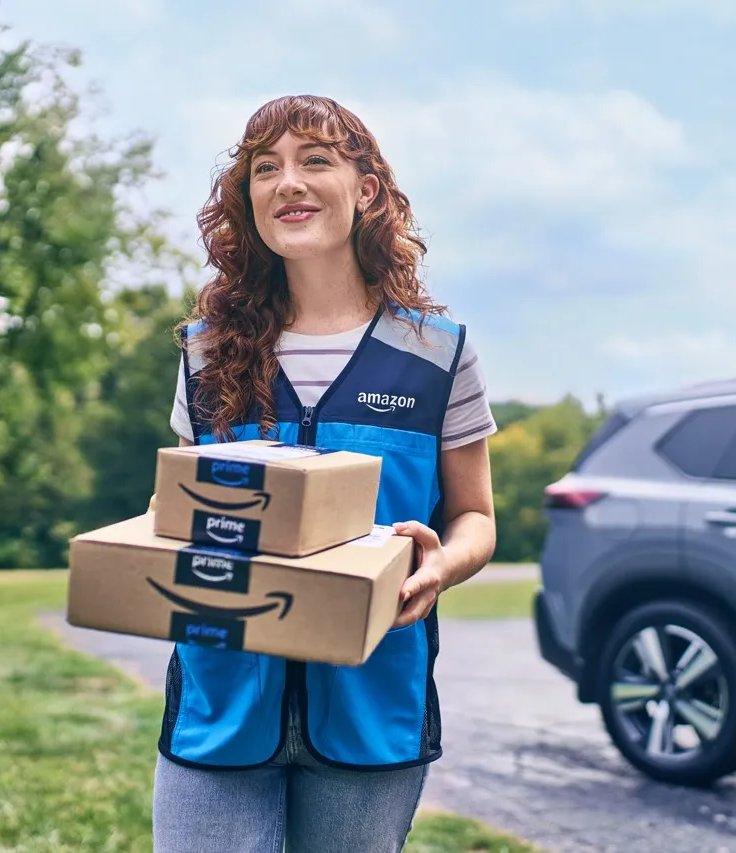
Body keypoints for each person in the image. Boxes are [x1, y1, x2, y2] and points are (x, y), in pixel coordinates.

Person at [154, 94, 498, 853]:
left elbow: (475, 516)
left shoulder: (439, 355)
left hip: (373, 703)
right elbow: (178, 513)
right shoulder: (205, 353)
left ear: (366, 189)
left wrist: (444, 562)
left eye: (315, 161)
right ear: (247, 199)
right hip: (222, 700)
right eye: (265, 168)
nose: (288, 183)